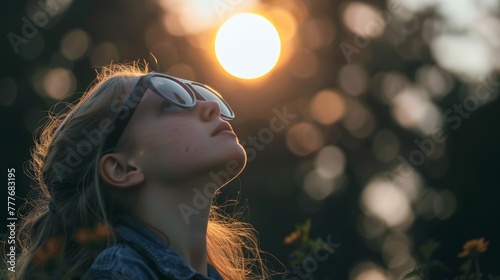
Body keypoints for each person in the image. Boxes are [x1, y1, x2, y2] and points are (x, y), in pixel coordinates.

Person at [8, 63, 272, 279]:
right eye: (170, 105)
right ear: (121, 168)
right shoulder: (120, 272)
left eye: (202, 96)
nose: (212, 108)